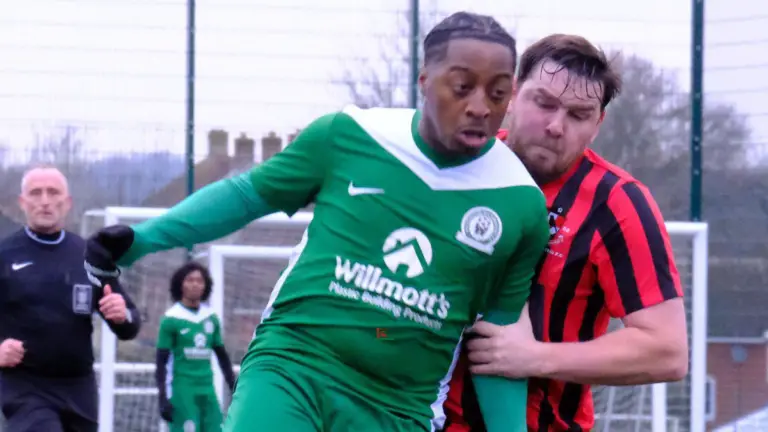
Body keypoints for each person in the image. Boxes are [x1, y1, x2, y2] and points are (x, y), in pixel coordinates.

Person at [83, 11, 551, 432]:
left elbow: (499, 343)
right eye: (462, 86)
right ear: (425, 80)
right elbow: (246, 195)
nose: (480, 107)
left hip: (400, 407)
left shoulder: (519, 205)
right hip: (294, 365)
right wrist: (143, 240)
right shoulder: (349, 135)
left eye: (498, 92)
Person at [441, 34, 690, 432]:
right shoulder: (457, 166)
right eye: (544, 103)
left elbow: (666, 350)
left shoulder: (617, 205)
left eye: (578, 114)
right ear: (513, 95)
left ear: (598, 124)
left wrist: (533, 357)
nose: (556, 126)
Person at [0, 165, 142, 432]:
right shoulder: (5, 255)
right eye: (36, 193)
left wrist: (121, 314)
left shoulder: (90, 256)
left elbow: (129, 325)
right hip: (26, 388)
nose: (44, 201)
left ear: (67, 203)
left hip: (79, 386)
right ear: (22, 202)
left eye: (53, 192)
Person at [155, 261, 237, 432]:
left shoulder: (210, 318)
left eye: (200, 280)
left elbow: (222, 356)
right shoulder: (171, 318)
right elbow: (161, 363)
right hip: (182, 390)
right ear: (180, 285)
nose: (195, 284)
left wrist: (233, 386)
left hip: (207, 389)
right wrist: (163, 397)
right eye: (190, 280)